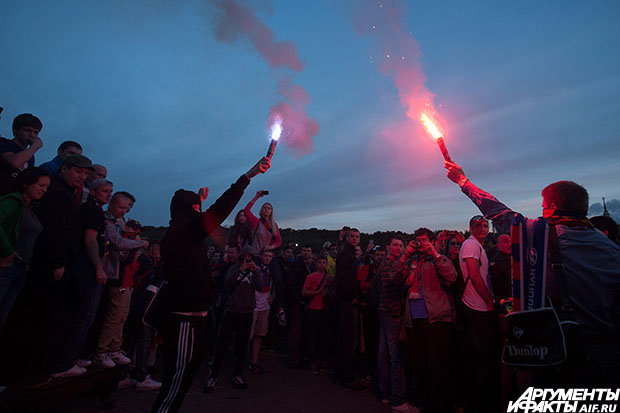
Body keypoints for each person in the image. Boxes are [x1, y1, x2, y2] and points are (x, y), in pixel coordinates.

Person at [446, 160, 620, 388]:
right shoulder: (611, 249)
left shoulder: (541, 236)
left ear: (554, 207)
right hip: (606, 356)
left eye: (544, 205)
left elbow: (498, 211)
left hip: (556, 350)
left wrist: (463, 180)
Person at [150, 157, 269, 413]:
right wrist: (246, 177)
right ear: (190, 210)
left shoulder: (181, 232)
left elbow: (200, 221)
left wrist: (200, 203)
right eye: (196, 209)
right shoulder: (182, 232)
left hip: (193, 318)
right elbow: (219, 210)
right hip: (185, 320)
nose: (200, 214)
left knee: (180, 381)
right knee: (175, 384)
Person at [48, 178, 113, 377]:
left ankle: (71, 358)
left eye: (110, 191)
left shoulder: (96, 211)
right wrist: (98, 268)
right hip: (87, 268)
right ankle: (64, 362)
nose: (108, 195)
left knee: (86, 316)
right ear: (93, 192)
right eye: (105, 191)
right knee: (84, 316)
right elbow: (90, 240)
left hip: (89, 267)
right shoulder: (90, 210)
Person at [94, 196, 148, 368]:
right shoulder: (109, 223)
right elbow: (117, 244)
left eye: (128, 208)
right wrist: (137, 244)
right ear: (111, 204)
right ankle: (101, 351)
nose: (125, 211)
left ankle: (114, 348)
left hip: (127, 280)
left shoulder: (118, 222)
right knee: (113, 317)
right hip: (117, 278)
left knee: (121, 317)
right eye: (122, 207)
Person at [407, 228, 457, 413]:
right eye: (417, 241)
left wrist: (434, 253)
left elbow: (451, 277)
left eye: (424, 241)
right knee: (421, 368)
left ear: (432, 241)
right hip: (415, 320)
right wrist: (406, 254)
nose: (420, 244)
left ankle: (442, 407)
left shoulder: (439, 259)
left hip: (436, 319)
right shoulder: (412, 261)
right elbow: (396, 277)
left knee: (438, 368)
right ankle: (428, 406)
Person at [205, 247, 264, 392]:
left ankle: (238, 374)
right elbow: (227, 283)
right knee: (222, 344)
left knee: (242, 345)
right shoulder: (233, 268)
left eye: (250, 257)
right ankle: (213, 376)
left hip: (247, 311)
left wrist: (255, 272)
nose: (248, 259)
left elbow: (260, 287)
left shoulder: (255, 271)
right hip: (231, 310)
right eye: (245, 257)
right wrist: (240, 269)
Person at [0, 167, 50, 331]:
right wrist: (8, 251)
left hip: (20, 268)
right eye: (41, 185)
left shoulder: (30, 208)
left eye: (46, 187)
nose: (44, 190)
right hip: (6, 267)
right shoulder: (12, 202)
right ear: (26, 183)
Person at [376, 236, 419, 413]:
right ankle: (398, 400)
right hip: (391, 313)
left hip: (384, 312)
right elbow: (387, 290)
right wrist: (397, 312)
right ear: (388, 247)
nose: (398, 248)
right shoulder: (388, 264)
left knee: (384, 353)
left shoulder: (391, 262)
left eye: (401, 245)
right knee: (396, 357)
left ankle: (385, 393)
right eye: (395, 245)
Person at [333, 228, 367, 391]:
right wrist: (350, 296)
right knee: (349, 340)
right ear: (347, 238)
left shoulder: (351, 254)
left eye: (357, 237)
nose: (354, 239)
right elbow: (340, 279)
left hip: (348, 300)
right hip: (348, 302)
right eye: (352, 237)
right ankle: (347, 377)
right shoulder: (346, 255)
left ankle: (341, 374)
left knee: (346, 338)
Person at [249, 249, 279, 374]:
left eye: (270, 256)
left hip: (265, 305)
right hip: (254, 305)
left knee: (259, 335)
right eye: (265, 256)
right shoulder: (255, 269)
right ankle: (240, 361)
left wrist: (273, 295)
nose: (267, 258)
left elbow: (275, 284)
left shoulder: (272, 271)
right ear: (261, 257)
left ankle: (254, 363)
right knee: (248, 335)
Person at [285, 244, 315, 368]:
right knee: (296, 330)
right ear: (301, 252)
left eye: (308, 251)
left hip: (309, 302)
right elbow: (291, 284)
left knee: (305, 330)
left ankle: (302, 356)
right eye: (304, 250)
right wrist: (298, 299)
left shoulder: (312, 266)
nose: (306, 252)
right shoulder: (296, 265)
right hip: (298, 302)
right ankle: (294, 359)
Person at [0, 113, 43, 194]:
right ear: (15, 130)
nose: (32, 135)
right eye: (27, 130)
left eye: (36, 132)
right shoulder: (4, 143)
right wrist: (34, 147)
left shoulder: (30, 156)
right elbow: (14, 162)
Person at [302, 255, 330, 375]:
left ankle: (322, 359)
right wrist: (317, 292)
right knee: (313, 335)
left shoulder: (329, 278)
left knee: (324, 336)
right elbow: (304, 292)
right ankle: (312, 360)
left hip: (325, 309)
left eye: (324, 262)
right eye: (320, 262)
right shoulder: (310, 277)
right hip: (314, 308)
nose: (322, 265)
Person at [243, 190, 281, 255]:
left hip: (267, 255)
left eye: (269, 208)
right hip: (255, 254)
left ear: (271, 211)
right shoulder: (257, 222)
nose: (267, 209)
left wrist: (269, 247)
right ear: (261, 211)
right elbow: (246, 210)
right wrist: (256, 197)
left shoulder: (274, 225)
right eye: (264, 208)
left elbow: (278, 241)